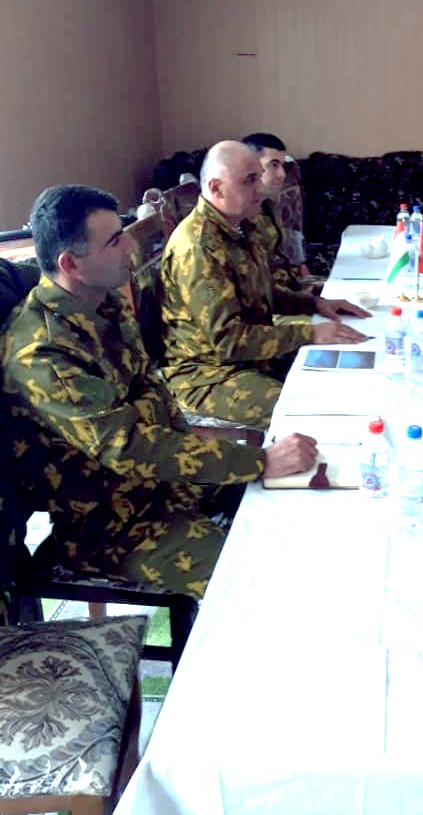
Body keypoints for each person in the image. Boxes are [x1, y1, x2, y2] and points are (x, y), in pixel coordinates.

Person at [1, 185, 318, 598]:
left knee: (306, 502)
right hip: (115, 526)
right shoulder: (42, 354)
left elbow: (152, 396)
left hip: (167, 483)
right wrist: (258, 461)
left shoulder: (101, 304)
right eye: (115, 241)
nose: (131, 246)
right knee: (265, 582)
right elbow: (129, 447)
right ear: (70, 264)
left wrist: (243, 455)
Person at [161, 140, 369, 428]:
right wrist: (308, 332)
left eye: (258, 177)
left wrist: (315, 303)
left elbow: (260, 291)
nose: (260, 188)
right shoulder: (198, 248)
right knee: (314, 411)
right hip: (209, 373)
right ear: (216, 188)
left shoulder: (240, 225)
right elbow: (228, 341)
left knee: (351, 366)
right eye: (249, 180)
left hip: (250, 355)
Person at [242, 131, 318, 292]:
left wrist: (305, 279)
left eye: (282, 165)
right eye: (273, 165)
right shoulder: (237, 217)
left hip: (289, 289)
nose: (282, 174)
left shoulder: (268, 206)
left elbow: (281, 256)